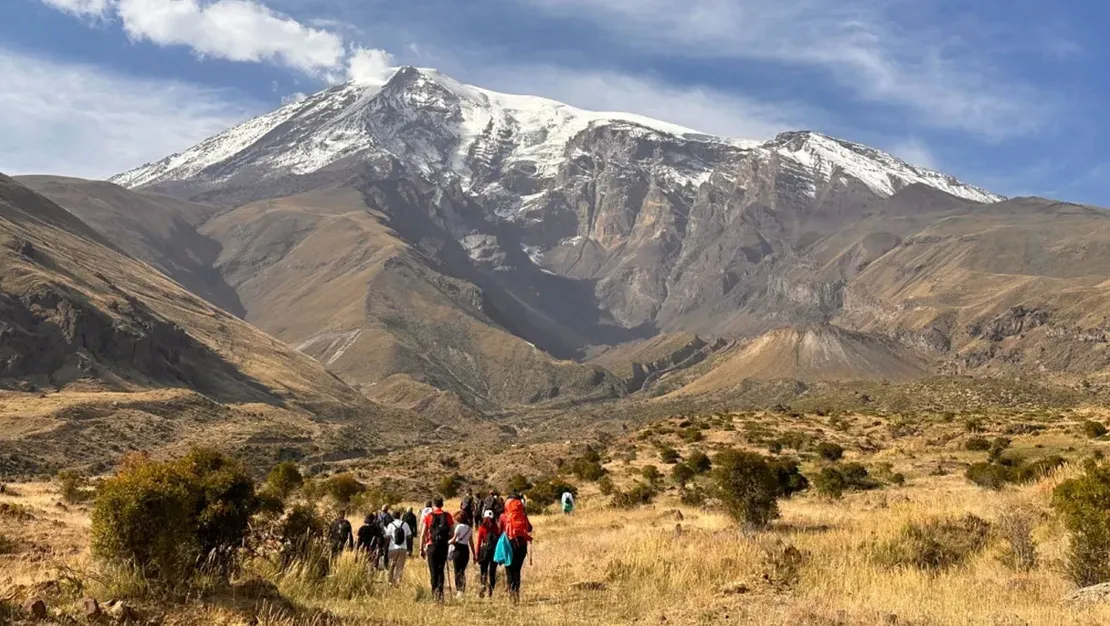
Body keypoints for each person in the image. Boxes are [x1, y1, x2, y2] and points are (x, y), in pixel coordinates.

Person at [499, 493, 533, 603]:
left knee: (509, 569)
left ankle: (511, 594)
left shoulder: (503, 516)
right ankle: (516, 594)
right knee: (517, 570)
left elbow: (499, 531)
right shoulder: (522, 515)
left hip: (509, 544)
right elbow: (530, 528)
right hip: (522, 545)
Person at [420, 496, 455, 602]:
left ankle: (434, 594)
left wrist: (421, 549)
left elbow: (423, 534)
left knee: (433, 571)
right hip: (443, 546)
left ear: (433, 505)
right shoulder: (448, 516)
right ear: (442, 504)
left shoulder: (429, 516)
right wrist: (446, 540)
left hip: (432, 546)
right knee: (441, 570)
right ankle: (440, 595)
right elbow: (452, 533)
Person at [450, 509, 477, 597]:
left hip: (458, 549)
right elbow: (471, 542)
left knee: (457, 571)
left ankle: (459, 590)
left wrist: (447, 542)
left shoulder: (459, 527)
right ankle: (462, 589)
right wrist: (474, 554)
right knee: (462, 571)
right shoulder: (469, 528)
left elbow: (454, 540)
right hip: (466, 550)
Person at [475, 509, 501, 598]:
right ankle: (491, 589)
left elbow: (478, 542)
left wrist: (477, 554)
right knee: (492, 571)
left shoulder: (482, 528)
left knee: (483, 570)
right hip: (494, 550)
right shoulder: (496, 527)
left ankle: (483, 585)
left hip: (485, 550)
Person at [384, 509, 412, 585]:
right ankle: (398, 582)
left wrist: (385, 548)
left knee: (391, 565)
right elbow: (409, 536)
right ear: (400, 516)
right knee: (400, 566)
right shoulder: (405, 524)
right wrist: (409, 549)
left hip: (392, 548)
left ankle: (390, 582)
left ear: (393, 516)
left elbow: (387, 537)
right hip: (403, 548)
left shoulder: (390, 525)